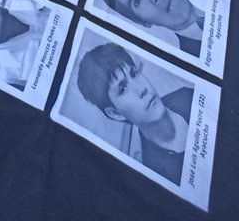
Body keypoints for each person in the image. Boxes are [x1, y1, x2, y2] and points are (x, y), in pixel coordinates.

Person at [76, 43, 192, 183]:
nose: (141, 89)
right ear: (115, 113)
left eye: (134, 73)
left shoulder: (189, 96)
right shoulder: (154, 171)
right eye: (123, 88)